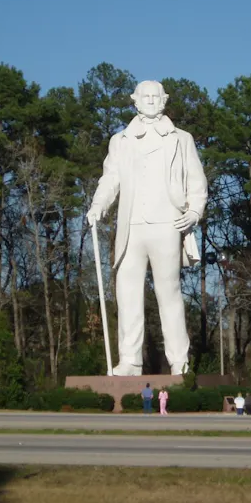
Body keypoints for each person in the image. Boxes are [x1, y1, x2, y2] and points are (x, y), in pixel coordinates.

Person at [87, 80, 208, 376]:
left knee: (169, 292)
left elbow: (196, 179)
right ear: (135, 100)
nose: (151, 100)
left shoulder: (182, 138)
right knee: (127, 293)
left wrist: (194, 211)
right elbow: (110, 179)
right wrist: (98, 206)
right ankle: (129, 360)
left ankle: (179, 361)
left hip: (167, 223)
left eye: (156, 96)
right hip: (131, 226)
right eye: (146, 96)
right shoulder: (121, 141)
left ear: (164, 100)